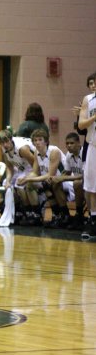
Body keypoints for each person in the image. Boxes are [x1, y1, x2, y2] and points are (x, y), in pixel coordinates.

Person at [17, 128, 74, 228]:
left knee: (50, 183)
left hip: (66, 180)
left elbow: (50, 175)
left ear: (46, 141)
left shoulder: (54, 151)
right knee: (30, 185)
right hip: (48, 180)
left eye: (40, 139)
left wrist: (28, 179)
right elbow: (35, 172)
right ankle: (36, 215)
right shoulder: (36, 152)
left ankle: (64, 216)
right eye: (35, 140)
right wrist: (25, 178)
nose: (37, 142)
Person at [0, 129, 36, 225]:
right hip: (21, 168)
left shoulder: (22, 149)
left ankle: (31, 213)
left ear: (11, 139)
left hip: (32, 167)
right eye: (2, 143)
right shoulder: (3, 149)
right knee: (6, 183)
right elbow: (9, 167)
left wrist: (29, 177)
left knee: (20, 184)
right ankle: (17, 211)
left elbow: (35, 164)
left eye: (6, 141)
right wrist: (9, 180)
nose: (4, 145)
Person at [50, 132, 85, 230]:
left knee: (77, 183)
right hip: (76, 181)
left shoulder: (85, 153)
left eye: (72, 143)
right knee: (55, 183)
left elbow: (83, 176)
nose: (69, 146)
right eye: (67, 143)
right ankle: (65, 215)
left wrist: (62, 178)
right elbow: (67, 173)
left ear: (79, 143)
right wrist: (57, 178)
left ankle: (79, 214)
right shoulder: (69, 155)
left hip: (89, 183)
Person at [78, 73, 96, 240]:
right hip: (93, 146)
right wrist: (94, 117)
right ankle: (93, 219)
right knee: (91, 186)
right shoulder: (88, 100)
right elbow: (81, 124)